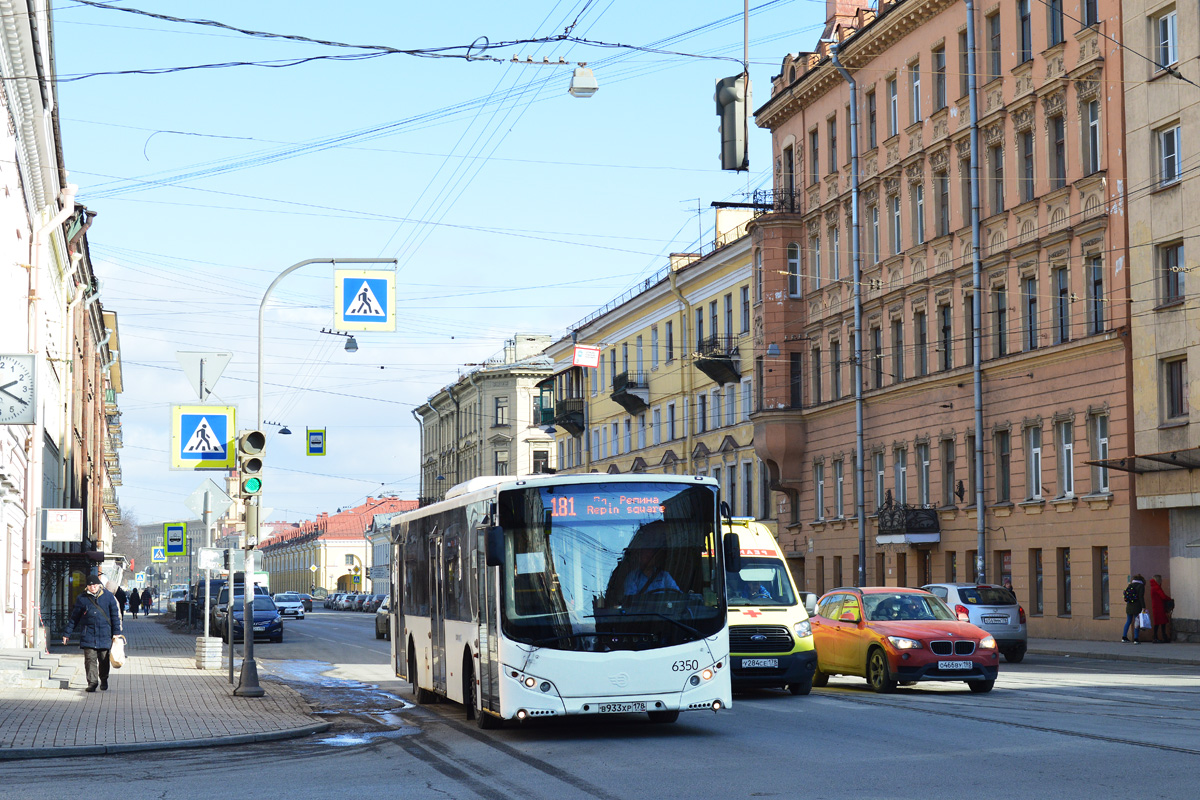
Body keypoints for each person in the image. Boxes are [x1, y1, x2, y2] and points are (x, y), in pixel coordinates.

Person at [62, 573, 123, 692]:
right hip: (88, 634)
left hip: (105, 634)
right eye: (90, 585)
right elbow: (75, 618)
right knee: (90, 660)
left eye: (95, 585)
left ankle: (104, 679)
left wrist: (117, 632)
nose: (93, 587)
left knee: (104, 659)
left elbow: (114, 616)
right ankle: (92, 682)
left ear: (99, 585)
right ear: (87, 587)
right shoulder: (82, 598)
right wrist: (67, 633)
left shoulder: (108, 596)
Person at [621, 522, 680, 599]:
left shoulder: (664, 576)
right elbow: (631, 601)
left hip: (663, 610)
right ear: (640, 558)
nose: (648, 558)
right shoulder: (633, 577)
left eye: (651, 556)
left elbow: (677, 595)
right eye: (645, 556)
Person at [1122, 574, 1145, 644]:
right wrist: (1143, 606)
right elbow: (1141, 597)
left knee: (1128, 621)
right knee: (1137, 622)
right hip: (1137, 607)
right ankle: (1136, 638)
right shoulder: (1141, 586)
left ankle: (1124, 637)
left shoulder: (1130, 585)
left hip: (1129, 606)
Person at [1149, 574, 1173, 643]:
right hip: (1159, 607)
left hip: (1156, 606)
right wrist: (1169, 599)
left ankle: (1156, 637)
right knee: (1162, 622)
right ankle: (1162, 636)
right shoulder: (1157, 587)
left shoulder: (1153, 587)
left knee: (1158, 622)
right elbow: (1163, 596)